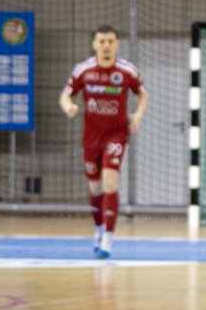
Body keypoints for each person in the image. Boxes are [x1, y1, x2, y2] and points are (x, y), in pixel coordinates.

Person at [60, 25, 146, 258]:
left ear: (117, 44)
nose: (106, 45)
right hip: (91, 137)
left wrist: (137, 115)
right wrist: (69, 106)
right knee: (95, 187)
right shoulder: (83, 70)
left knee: (110, 182)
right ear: (94, 44)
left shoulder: (127, 70)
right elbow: (66, 94)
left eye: (111, 41)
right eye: (102, 41)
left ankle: (108, 237)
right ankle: (98, 228)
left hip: (116, 135)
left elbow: (142, 93)